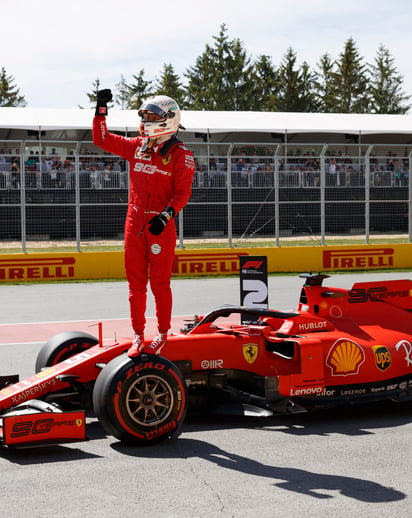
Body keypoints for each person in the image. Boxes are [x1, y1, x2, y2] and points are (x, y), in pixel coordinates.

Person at [92, 89, 195, 355]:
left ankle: (162, 334)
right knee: (135, 285)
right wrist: (101, 109)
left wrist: (167, 215)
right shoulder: (137, 146)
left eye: (151, 116)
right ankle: (138, 335)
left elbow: (183, 192)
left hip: (160, 225)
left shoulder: (181, 154)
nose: (146, 121)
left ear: (168, 119)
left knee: (160, 285)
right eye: (145, 116)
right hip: (134, 222)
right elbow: (101, 139)